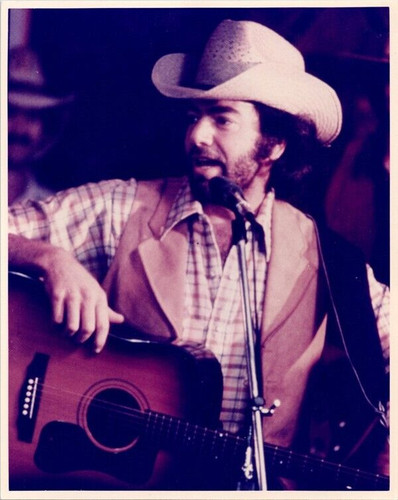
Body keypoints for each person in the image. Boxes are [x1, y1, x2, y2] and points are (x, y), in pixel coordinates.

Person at [8, 19, 389, 491]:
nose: (197, 136)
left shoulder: (328, 259)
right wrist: (47, 258)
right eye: (193, 116)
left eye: (221, 117)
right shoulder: (121, 207)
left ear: (274, 142)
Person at [8, 46, 74, 205]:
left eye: (32, 117)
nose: (19, 128)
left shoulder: (53, 209)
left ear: (46, 129)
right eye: (9, 112)